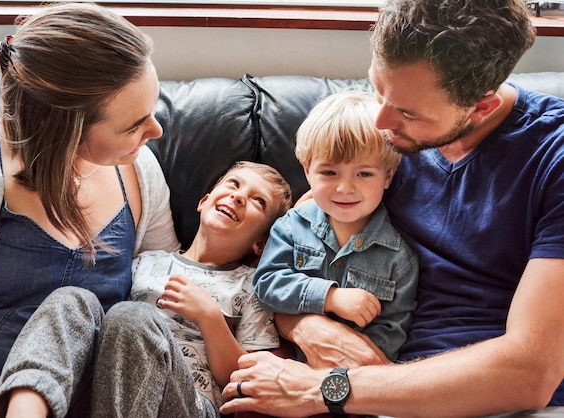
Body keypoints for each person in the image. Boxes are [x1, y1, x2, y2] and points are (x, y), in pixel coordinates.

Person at [219, 0, 564, 417]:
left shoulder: (552, 160)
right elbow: (298, 251)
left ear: (481, 108)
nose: (381, 122)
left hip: (491, 399)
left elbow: (528, 374)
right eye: (376, 88)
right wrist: (308, 324)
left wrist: (324, 389)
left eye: (405, 112)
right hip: (369, 380)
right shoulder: (375, 150)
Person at [0, 3, 180, 418]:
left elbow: (165, 290)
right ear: (64, 130)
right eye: (133, 124)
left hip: (94, 395)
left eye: (153, 111)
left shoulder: (140, 172)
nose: (156, 132)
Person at [0, 161, 292, 417]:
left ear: (261, 244)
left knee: (131, 316)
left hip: (187, 403)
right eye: (234, 184)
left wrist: (210, 318)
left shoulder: (254, 287)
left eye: (258, 201)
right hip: (107, 393)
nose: (239, 196)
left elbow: (245, 379)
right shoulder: (145, 262)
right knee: (73, 299)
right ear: (204, 201)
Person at [253, 91, 418, 363]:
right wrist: (330, 297)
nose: (344, 188)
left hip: (351, 375)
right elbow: (266, 284)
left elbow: (391, 331)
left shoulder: (399, 259)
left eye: (363, 173)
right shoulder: (291, 227)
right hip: (285, 359)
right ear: (307, 171)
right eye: (329, 173)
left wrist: (344, 364)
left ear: (387, 176)